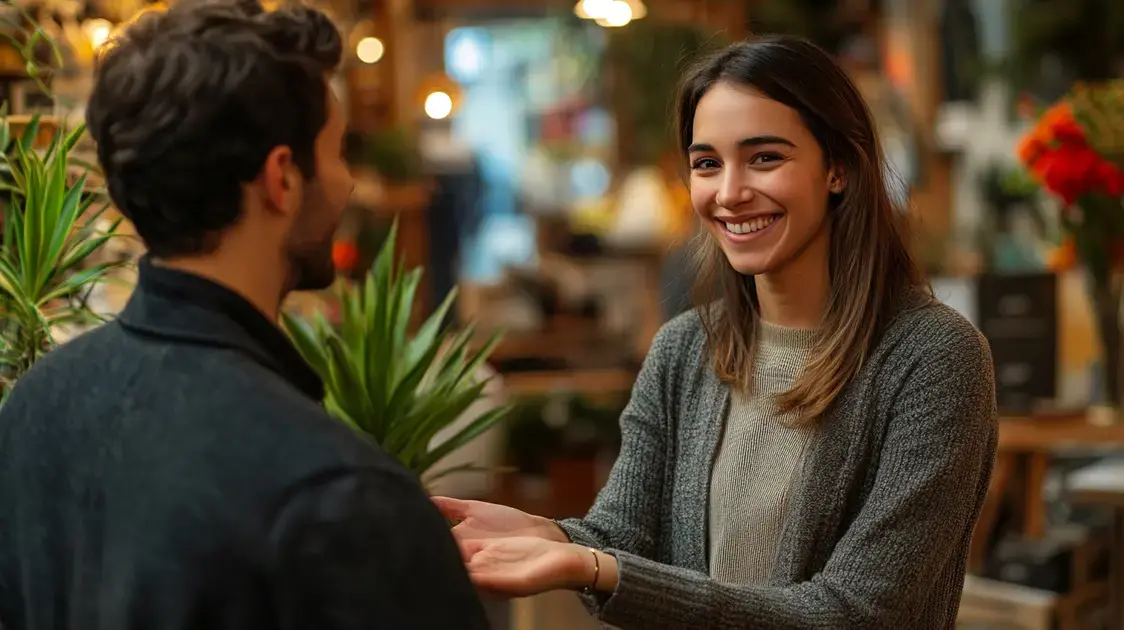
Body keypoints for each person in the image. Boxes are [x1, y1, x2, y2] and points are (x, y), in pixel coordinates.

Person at [434, 35, 998, 629]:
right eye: (707, 163)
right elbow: (622, 537)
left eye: (764, 158)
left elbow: (855, 615)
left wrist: (594, 565)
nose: (729, 193)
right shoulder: (684, 349)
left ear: (838, 168)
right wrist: (553, 535)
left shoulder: (934, 359)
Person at [0, 1, 489, 629]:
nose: (346, 185)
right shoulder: (338, 496)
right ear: (282, 178)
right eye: (339, 153)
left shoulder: (35, 409)